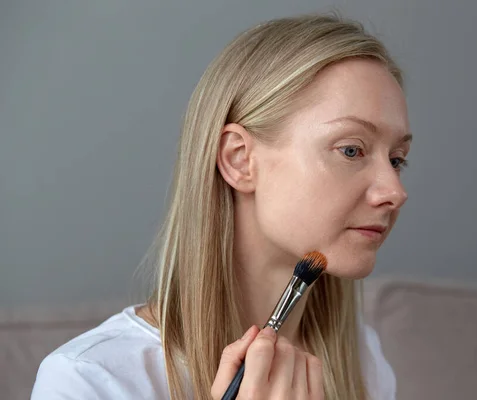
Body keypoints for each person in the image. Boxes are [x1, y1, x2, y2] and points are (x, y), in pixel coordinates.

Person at [31, 13, 412, 400]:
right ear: (239, 159)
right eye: (351, 149)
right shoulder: (90, 380)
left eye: (397, 159)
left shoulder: (363, 359)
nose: (394, 190)